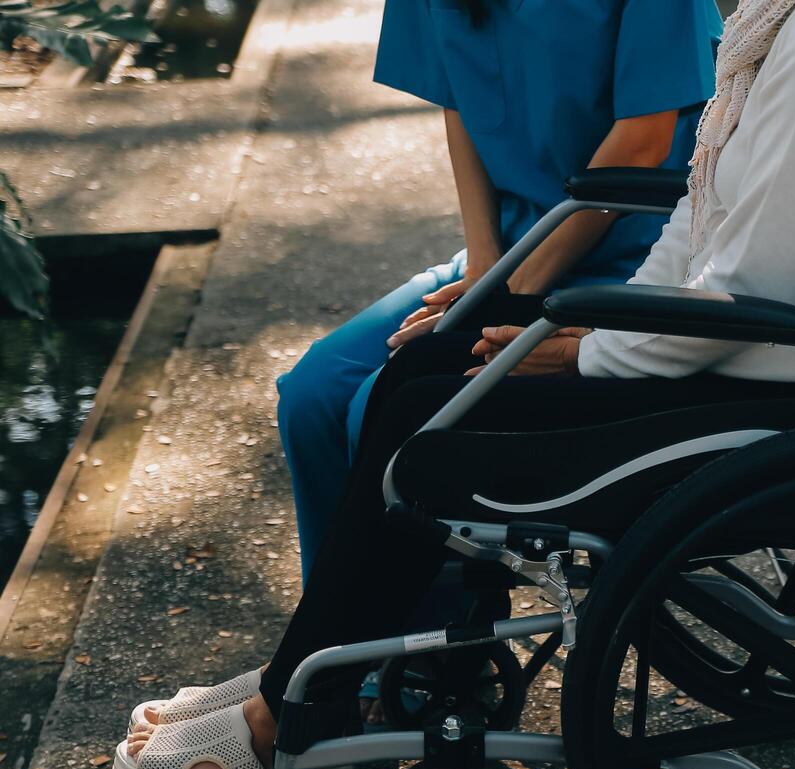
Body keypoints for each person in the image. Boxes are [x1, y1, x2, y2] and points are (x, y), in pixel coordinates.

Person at [113, 0, 795, 769]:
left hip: (762, 379)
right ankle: (308, 681)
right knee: (420, 372)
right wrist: (607, 320)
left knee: (424, 417)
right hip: (735, 348)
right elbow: (705, 225)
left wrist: (593, 350)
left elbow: (748, 283)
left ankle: (296, 718)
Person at [275, 0, 723, 579]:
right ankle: (336, 643)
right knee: (311, 395)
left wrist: (512, 288)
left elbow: (645, 140)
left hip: (636, 258)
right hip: (508, 254)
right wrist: (486, 263)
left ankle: (429, 648)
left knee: (379, 413)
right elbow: (459, 99)